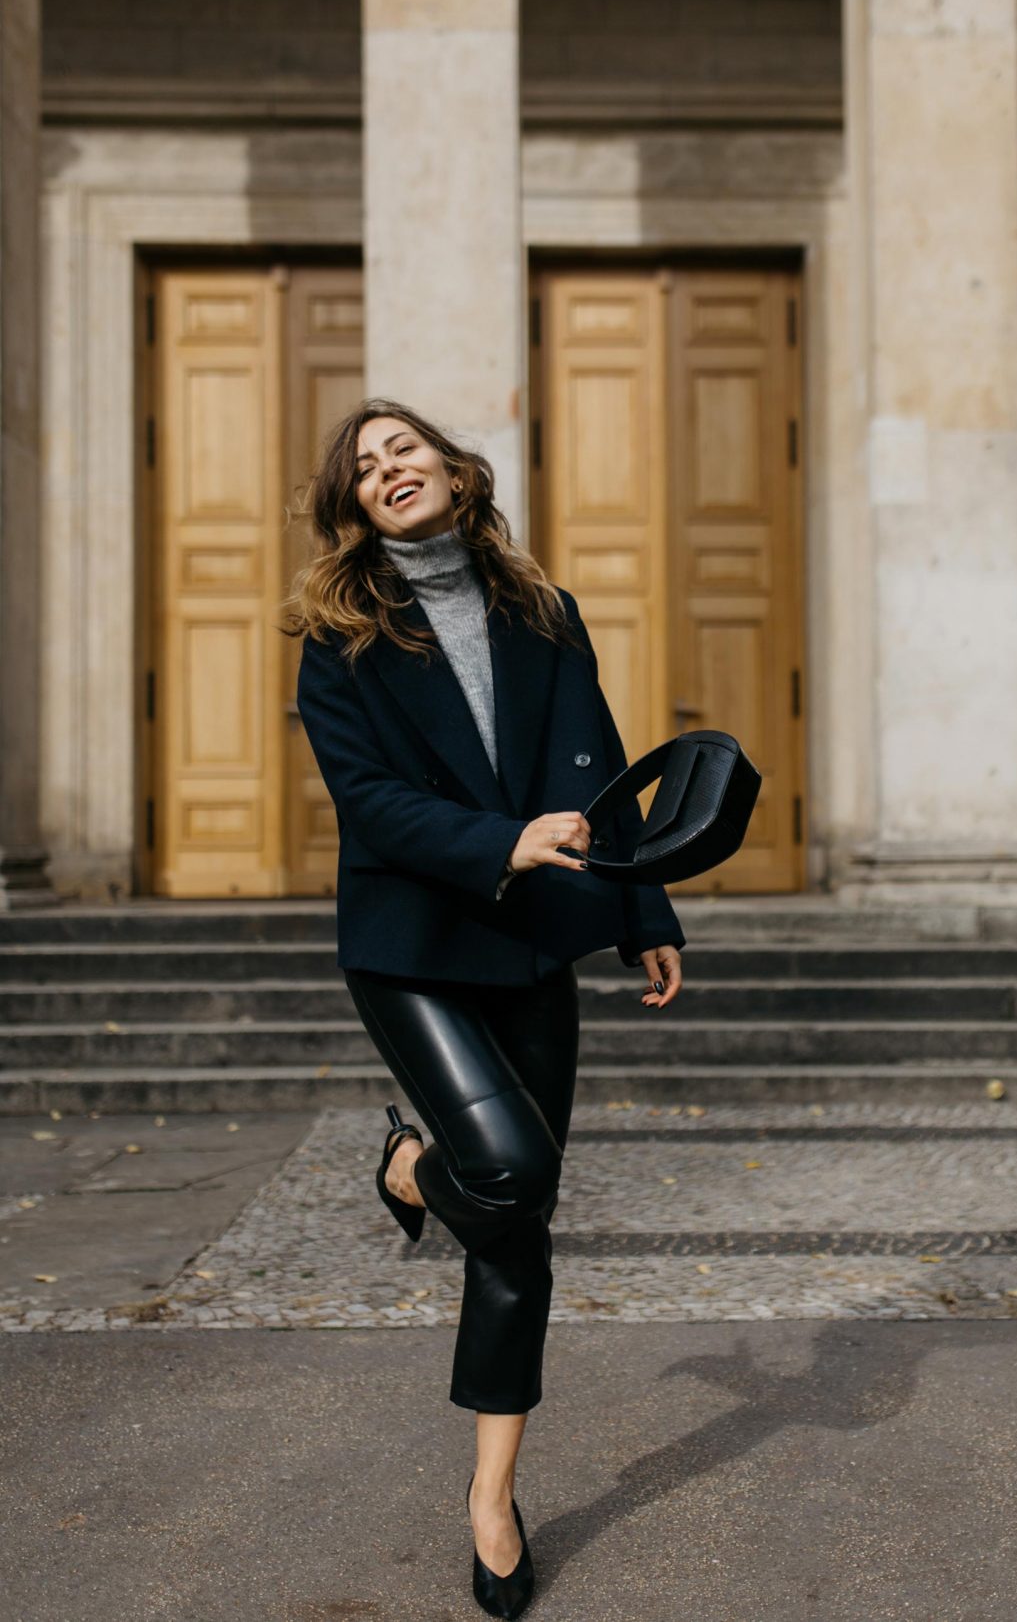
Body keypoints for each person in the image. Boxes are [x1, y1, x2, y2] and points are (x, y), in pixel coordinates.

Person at [283, 396, 685, 1619]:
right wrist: (504, 839)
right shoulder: (337, 634)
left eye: (403, 446)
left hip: (530, 944)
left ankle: (492, 1492)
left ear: (455, 470)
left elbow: (594, 755)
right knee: (504, 1169)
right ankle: (413, 1165)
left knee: (520, 1223)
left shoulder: (543, 611)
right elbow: (373, 804)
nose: (387, 466)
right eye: (364, 465)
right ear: (352, 506)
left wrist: (644, 907)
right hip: (412, 942)